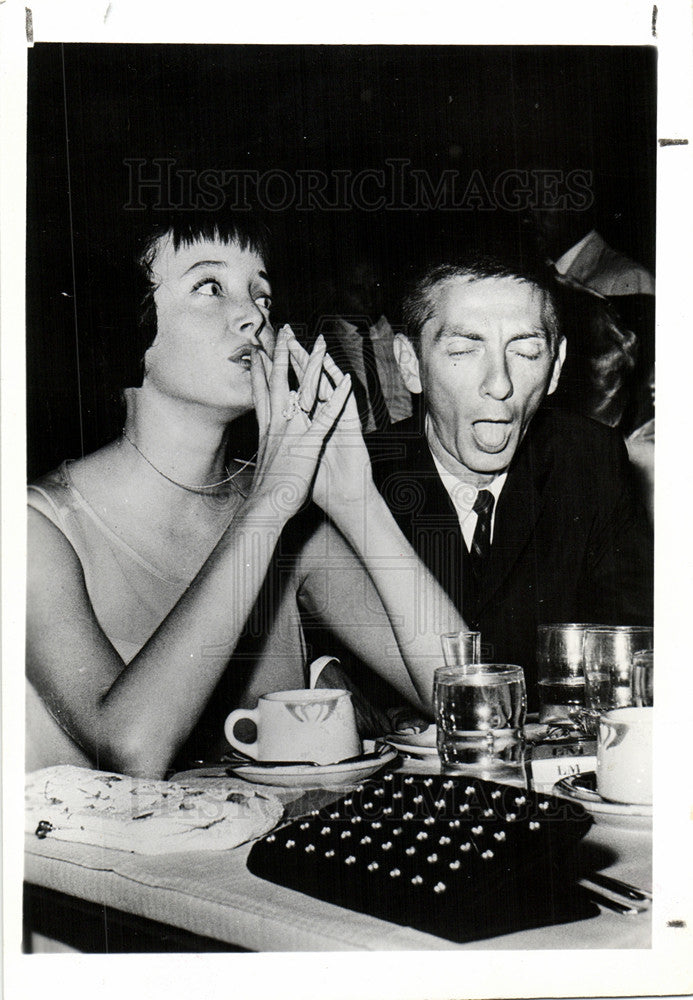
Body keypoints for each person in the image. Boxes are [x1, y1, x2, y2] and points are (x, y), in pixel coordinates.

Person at [26, 211, 465, 779]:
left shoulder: (288, 518)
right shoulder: (37, 531)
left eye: (261, 294)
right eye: (210, 287)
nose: (253, 316)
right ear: (124, 323)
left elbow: (468, 696)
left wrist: (357, 501)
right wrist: (269, 504)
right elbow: (133, 749)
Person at [364, 247, 653, 707]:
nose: (499, 383)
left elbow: (636, 656)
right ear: (409, 364)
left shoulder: (591, 461)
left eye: (525, 351)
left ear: (556, 367)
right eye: (463, 349)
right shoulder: (357, 477)